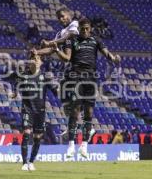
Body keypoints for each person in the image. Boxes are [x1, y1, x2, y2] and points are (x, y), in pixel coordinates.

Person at [51, 18, 120, 157]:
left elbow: (106, 52)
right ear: (79, 28)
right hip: (77, 77)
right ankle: (71, 145)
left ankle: (84, 146)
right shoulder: (73, 39)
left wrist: (113, 58)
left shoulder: (96, 41)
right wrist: (57, 50)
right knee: (75, 110)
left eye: (87, 28)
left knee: (89, 113)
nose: (85, 31)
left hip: (91, 79)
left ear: (90, 29)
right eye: (82, 28)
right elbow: (67, 58)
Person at [7, 54, 58, 171]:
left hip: (40, 111)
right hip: (27, 109)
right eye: (32, 59)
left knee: (37, 137)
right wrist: (14, 93)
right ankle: (24, 163)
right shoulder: (23, 75)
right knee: (26, 133)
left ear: (41, 63)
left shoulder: (45, 77)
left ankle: (31, 161)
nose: (34, 60)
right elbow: (14, 81)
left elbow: (56, 91)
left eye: (37, 59)